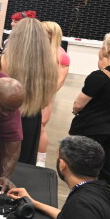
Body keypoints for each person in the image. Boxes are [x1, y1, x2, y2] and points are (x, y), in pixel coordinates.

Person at [0, 17, 57, 165]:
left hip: (1, 119)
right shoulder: (49, 69)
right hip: (30, 121)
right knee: (22, 166)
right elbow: (45, 101)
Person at [69, 31, 110, 188]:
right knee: (107, 170)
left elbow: (78, 104)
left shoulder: (99, 76)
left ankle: (86, 196)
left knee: (86, 169)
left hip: (92, 129)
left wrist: (75, 112)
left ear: (108, 49)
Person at [38, 20, 70, 167]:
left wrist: (45, 95)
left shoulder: (61, 55)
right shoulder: (38, 49)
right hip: (31, 93)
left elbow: (60, 80)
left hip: (45, 96)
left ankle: (40, 160)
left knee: (40, 128)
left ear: (51, 35)